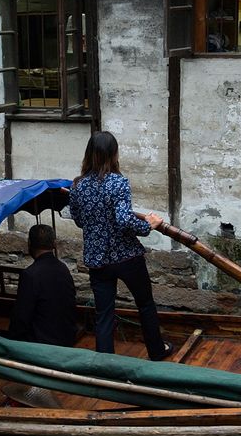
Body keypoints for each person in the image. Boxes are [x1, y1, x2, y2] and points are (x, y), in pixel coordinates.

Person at [67, 131, 173, 361]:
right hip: (126, 257)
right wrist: (149, 225)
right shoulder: (119, 182)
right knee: (145, 304)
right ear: (113, 154)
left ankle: (106, 364)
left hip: (98, 260)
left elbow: (77, 220)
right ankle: (156, 350)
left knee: (104, 313)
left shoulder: (77, 186)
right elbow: (124, 219)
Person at [8, 224, 78, 347]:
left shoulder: (30, 275)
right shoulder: (63, 269)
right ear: (54, 244)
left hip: (42, 343)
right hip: (66, 338)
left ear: (29, 243)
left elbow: (21, 318)